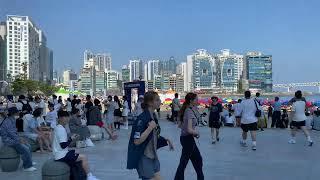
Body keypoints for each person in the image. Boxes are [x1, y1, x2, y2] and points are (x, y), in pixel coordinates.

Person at [127, 91, 174, 180]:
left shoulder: (153, 116)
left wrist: (166, 139)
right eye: (157, 100)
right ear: (149, 103)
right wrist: (149, 128)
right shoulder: (142, 119)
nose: (160, 101)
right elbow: (136, 141)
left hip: (153, 155)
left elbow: (154, 135)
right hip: (144, 157)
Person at [52, 110, 99, 180]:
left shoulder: (58, 127)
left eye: (67, 117)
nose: (67, 119)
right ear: (59, 118)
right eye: (64, 117)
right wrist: (71, 138)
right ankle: (89, 176)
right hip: (61, 155)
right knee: (84, 157)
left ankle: (75, 175)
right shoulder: (61, 129)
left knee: (76, 152)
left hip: (59, 153)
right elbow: (63, 145)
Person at [174, 93, 204, 180]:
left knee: (195, 161)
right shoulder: (189, 111)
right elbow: (189, 129)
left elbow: (180, 125)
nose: (197, 100)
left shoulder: (187, 109)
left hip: (186, 139)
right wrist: (196, 133)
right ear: (191, 101)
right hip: (188, 140)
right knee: (186, 162)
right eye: (196, 99)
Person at [0, 107, 37, 171]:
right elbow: (11, 133)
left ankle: (29, 161)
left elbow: (14, 132)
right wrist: (19, 140)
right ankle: (27, 166)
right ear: (14, 113)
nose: (18, 113)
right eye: (17, 112)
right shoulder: (8, 121)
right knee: (25, 149)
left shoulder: (12, 119)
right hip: (8, 141)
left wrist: (20, 138)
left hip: (13, 138)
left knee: (28, 145)